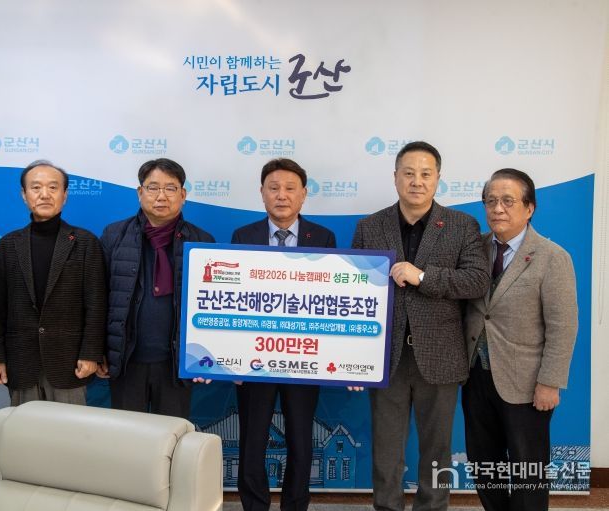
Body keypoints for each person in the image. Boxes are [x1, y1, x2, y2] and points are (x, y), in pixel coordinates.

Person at [350, 141, 489, 511]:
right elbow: (355, 294)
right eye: (409, 173)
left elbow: (476, 281)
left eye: (426, 174)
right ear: (395, 177)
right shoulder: (369, 227)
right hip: (386, 358)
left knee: (437, 451)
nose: (417, 181)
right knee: (386, 450)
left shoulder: (462, 225)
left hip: (441, 357)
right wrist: (353, 359)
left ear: (438, 179)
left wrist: (422, 276)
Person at [462, 168, 578, 511]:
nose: (498, 208)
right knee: (485, 465)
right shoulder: (474, 250)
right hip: (475, 376)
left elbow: (563, 326)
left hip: (527, 383)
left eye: (508, 201)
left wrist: (550, 382)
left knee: (528, 470)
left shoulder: (551, 257)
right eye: (491, 201)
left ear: (529, 208)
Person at [232, 158, 336, 511]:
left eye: (290, 188)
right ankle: (254, 505)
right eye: (273, 188)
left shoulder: (322, 238)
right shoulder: (243, 236)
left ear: (303, 195)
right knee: (252, 440)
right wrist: (234, 359)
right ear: (261, 193)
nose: (282, 195)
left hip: (304, 357)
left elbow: (332, 301)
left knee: (301, 441)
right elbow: (234, 302)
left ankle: (295, 505)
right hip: (255, 357)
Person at [100, 157, 214, 418]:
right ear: (140, 192)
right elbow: (99, 298)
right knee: (127, 436)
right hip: (126, 362)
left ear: (183, 195)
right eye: (153, 188)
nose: (161, 196)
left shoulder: (202, 240)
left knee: (172, 436)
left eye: (170, 188)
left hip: (176, 365)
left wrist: (207, 359)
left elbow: (212, 305)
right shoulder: (114, 236)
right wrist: (99, 353)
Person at [0, 160, 106, 405]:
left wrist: (91, 353)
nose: (45, 194)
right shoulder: (8, 245)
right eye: (36, 187)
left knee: (69, 429)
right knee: (24, 428)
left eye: (53, 187)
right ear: (24, 195)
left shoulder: (85, 242)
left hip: (70, 363)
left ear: (65, 195)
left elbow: (97, 305)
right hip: (21, 362)